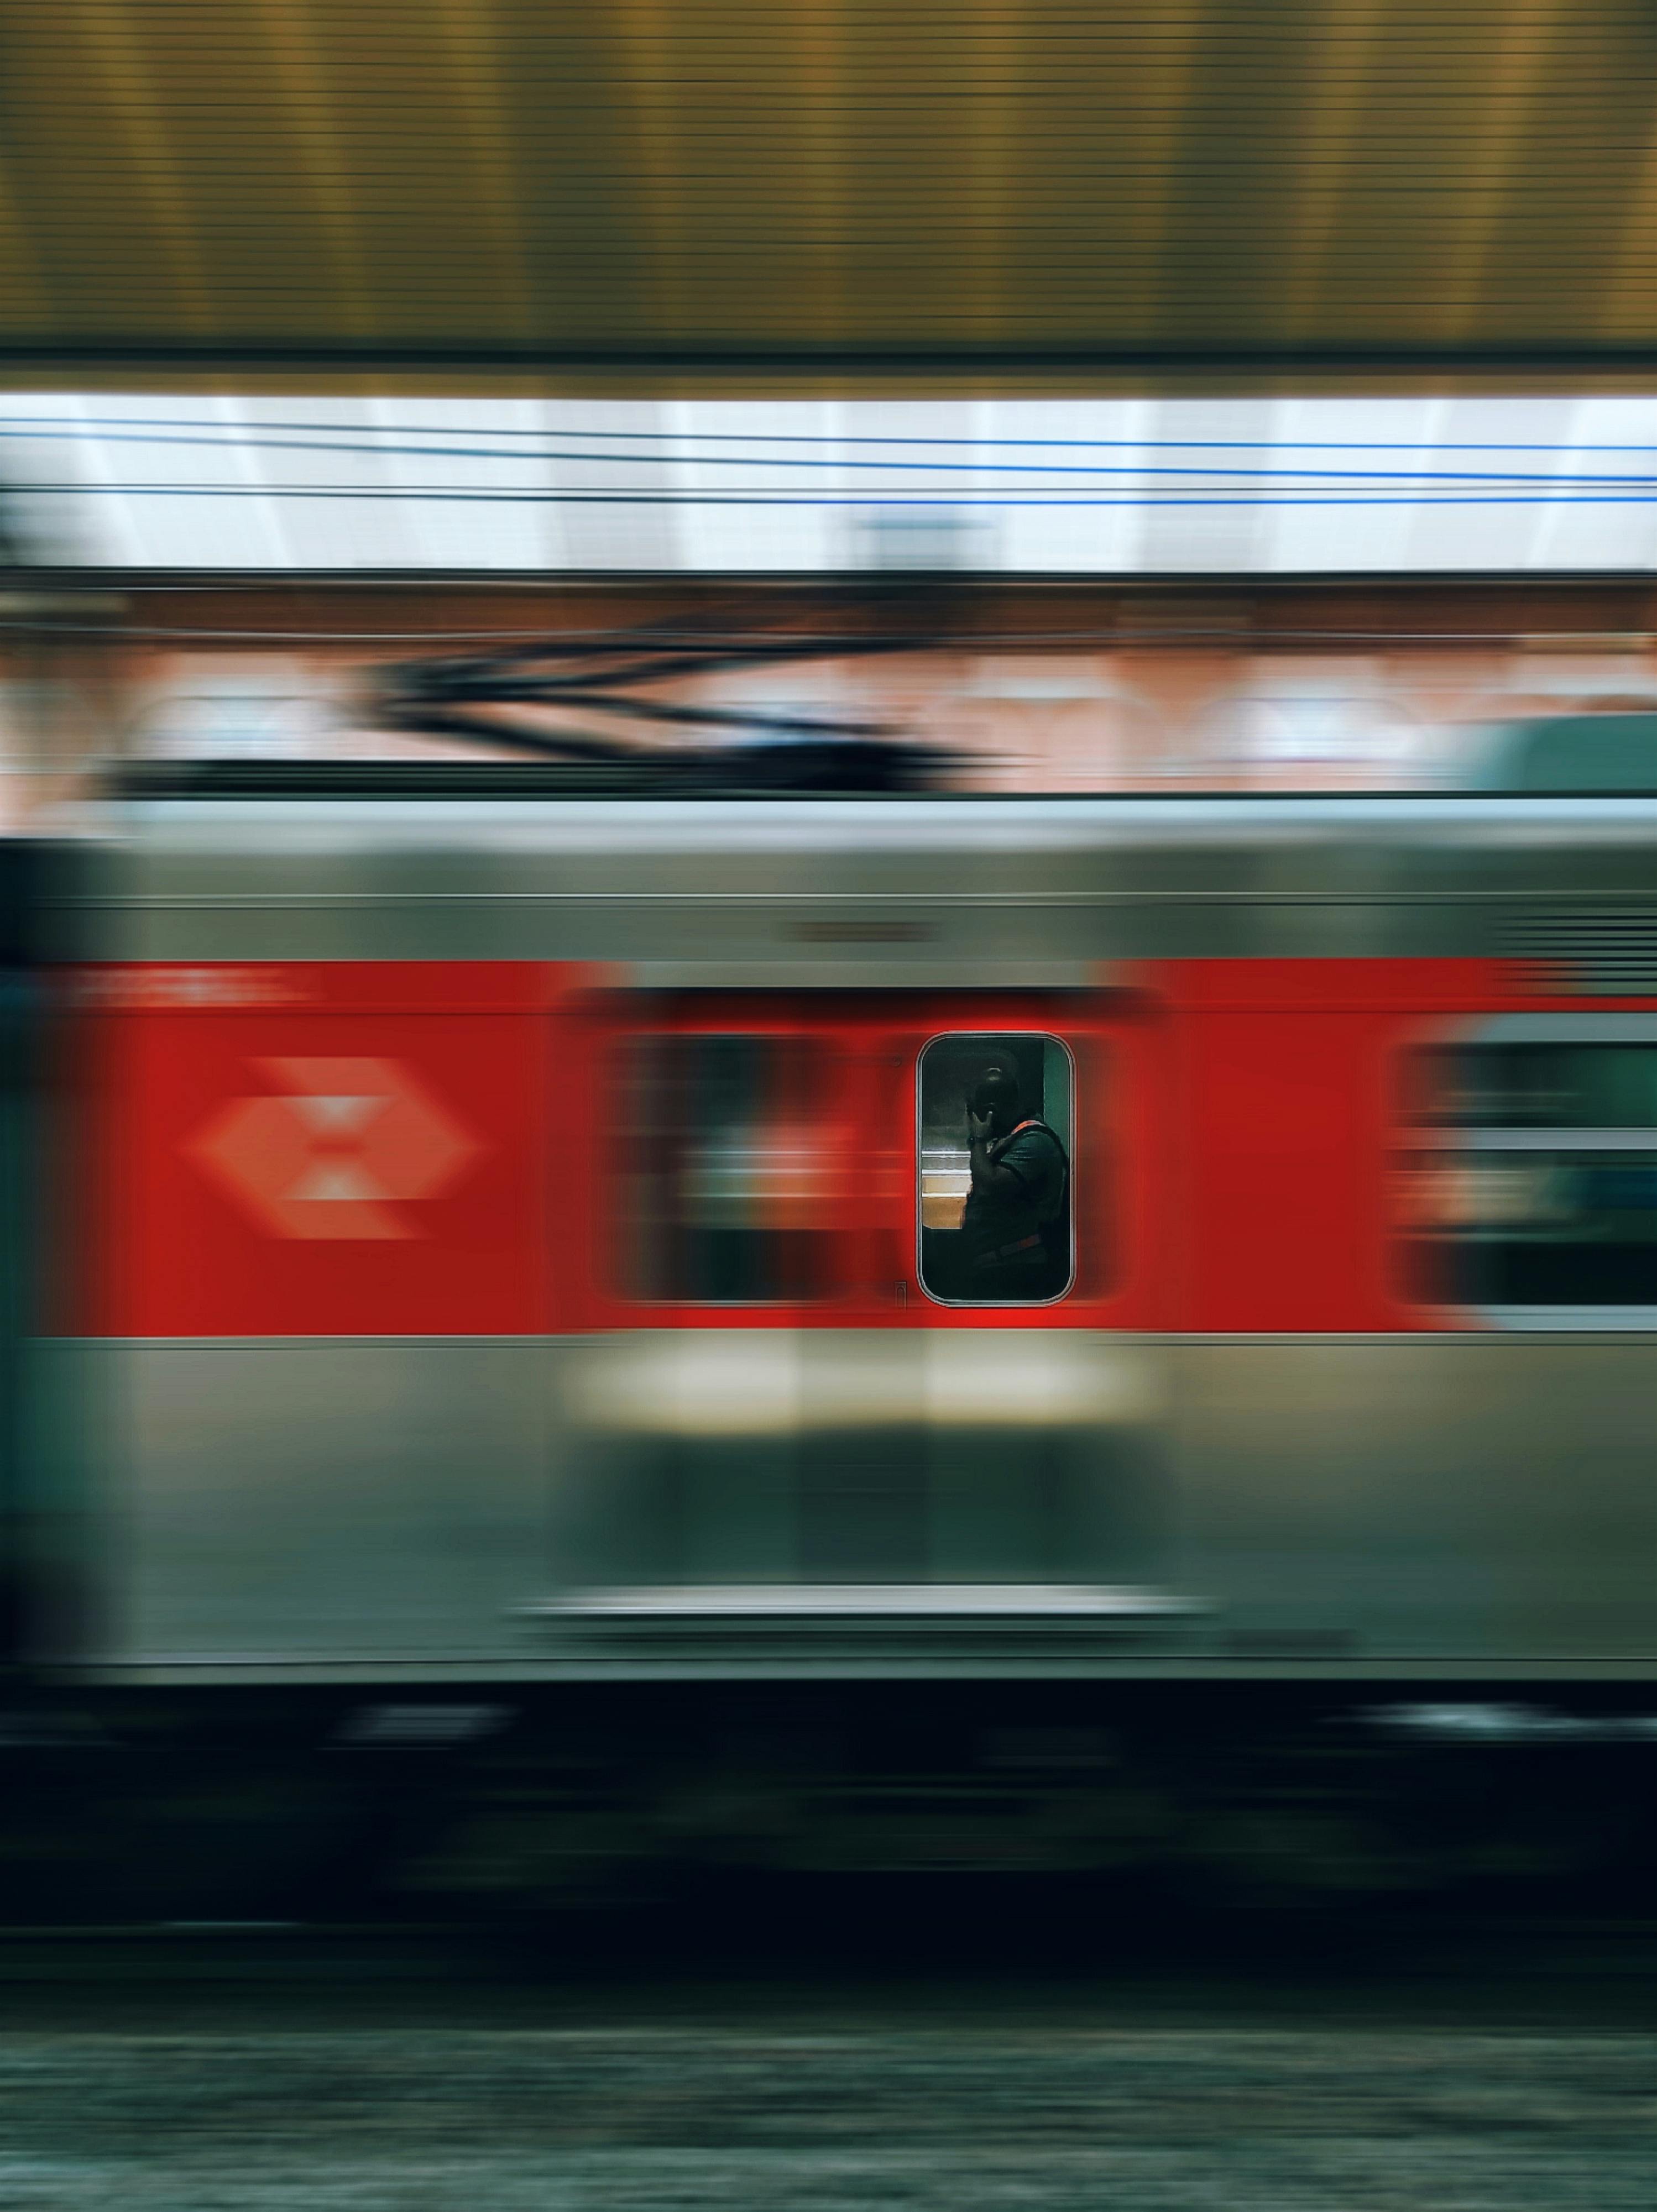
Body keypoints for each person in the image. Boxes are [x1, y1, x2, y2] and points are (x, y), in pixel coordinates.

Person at [961, 1061, 1069, 1298]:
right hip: (1001, 1266)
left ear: (991, 1110)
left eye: (976, 1112)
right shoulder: (1011, 1139)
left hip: (1017, 1270)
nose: (974, 1120)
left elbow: (991, 1185)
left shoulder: (1035, 1141)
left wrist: (977, 1139)